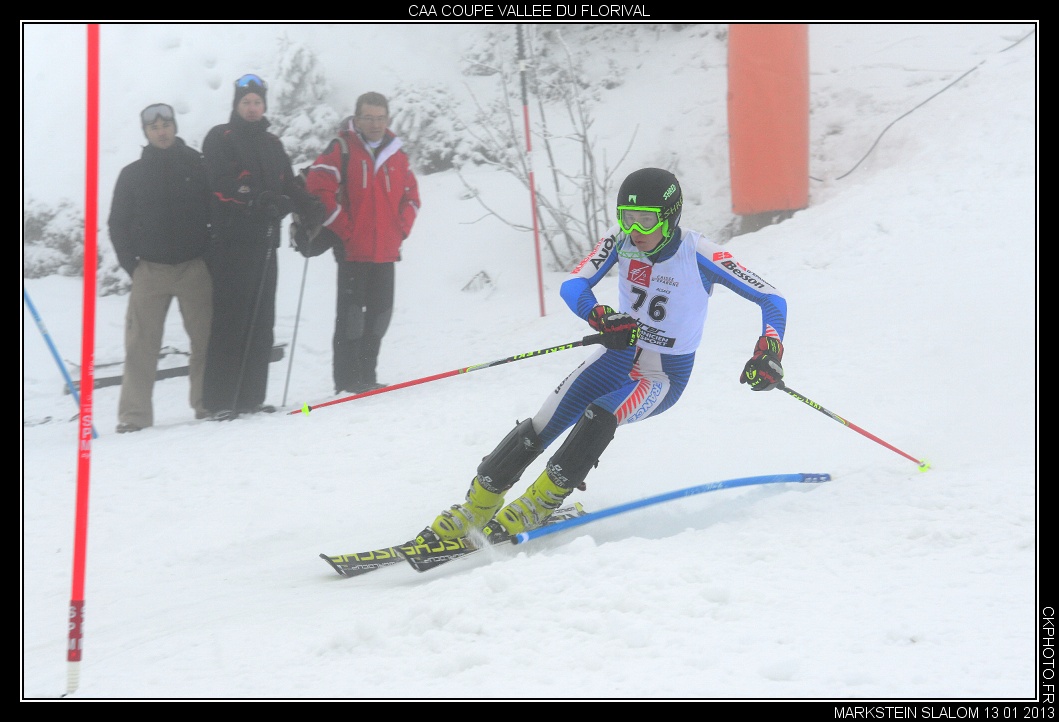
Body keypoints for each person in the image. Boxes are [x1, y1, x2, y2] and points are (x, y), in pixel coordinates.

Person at [415, 167, 789, 545]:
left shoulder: (699, 253)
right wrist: (599, 315)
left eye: (646, 220)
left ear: (670, 216)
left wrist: (770, 348)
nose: (635, 231)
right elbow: (573, 284)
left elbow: (771, 299)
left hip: (661, 375)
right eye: (627, 218)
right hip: (615, 358)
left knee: (600, 416)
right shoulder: (620, 239)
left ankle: (541, 501)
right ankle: (476, 506)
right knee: (543, 423)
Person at [201, 73, 313, 420]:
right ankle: (221, 400)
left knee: (261, 320)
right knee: (231, 320)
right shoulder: (221, 137)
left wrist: (306, 203)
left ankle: (251, 397)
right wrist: (255, 198)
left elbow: (287, 183)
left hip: (265, 242)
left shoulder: (272, 143)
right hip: (231, 242)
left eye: (257, 102)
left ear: (264, 106)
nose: (252, 108)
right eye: (246, 102)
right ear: (236, 104)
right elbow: (221, 182)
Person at [107, 102, 214, 433]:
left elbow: (216, 211)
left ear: (174, 127)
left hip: (194, 267)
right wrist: (133, 267)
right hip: (150, 271)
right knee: (140, 345)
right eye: (154, 128)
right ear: (146, 133)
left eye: (166, 125)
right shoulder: (132, 174)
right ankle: (134, 417)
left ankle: (207, 403)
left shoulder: (198, 164)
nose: (161, 132)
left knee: (205, 339)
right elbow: (117, 224)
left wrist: (210, 257)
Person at [305, 92, 421, 394]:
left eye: (380, 118)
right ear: (356, 119)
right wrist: (346, 229)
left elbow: (412, 197)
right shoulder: (341, 148)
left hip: (386, 252)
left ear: (388, 119)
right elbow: (317, 188)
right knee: (352, 321)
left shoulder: (397, 154)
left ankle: (368, 377)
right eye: (368, 117)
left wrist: (400, 230)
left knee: (380, 317)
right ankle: (347, 383)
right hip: (352, 251)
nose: (375, 124)